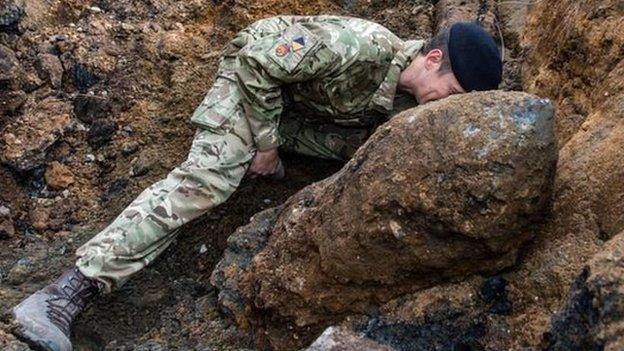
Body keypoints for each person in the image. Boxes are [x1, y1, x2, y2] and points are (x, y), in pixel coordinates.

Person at [12, 16, 502, 351]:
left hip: (296, 107)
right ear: (434, 58)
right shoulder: (360, 46)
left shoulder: (402, 104)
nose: (441, 107)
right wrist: (265, 144)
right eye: (450, 93)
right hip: (251, 80)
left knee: (362, 153)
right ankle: (63, 294)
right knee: (209, 182)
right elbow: (258, 64)